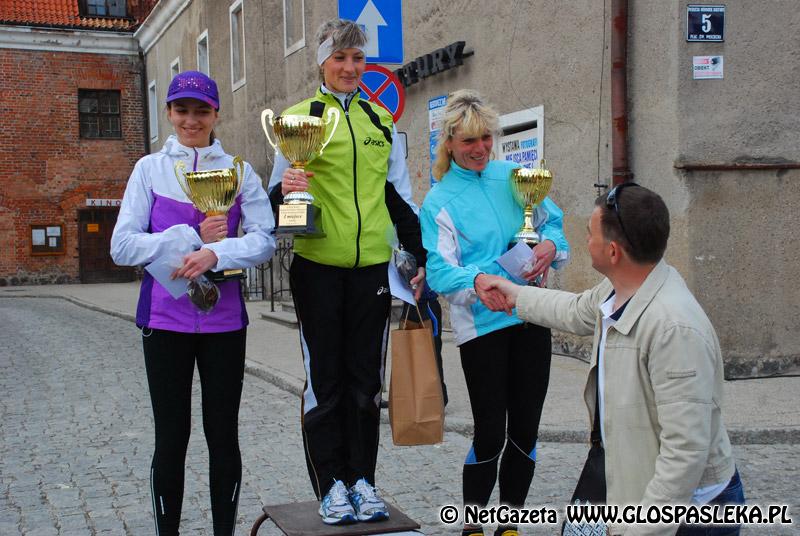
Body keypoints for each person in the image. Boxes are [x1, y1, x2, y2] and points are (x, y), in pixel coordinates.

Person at [481, 183, 744, 536]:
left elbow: (684, 454)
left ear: (614, 251)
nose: (586, 240)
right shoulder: (623, 288)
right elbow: (577, 310)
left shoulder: (674, 329)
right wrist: (516, 296)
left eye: (591, 234)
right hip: (633, 487)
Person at [266, 19, 426, 525]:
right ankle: (331, 484)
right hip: (317, 268)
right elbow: (270, 204)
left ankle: (362, 481)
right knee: (325, 382)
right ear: (322, 62)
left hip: (371, 271)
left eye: (358, 58)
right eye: (340, 58)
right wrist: (285, 190)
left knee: (365, 382)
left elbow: (398, 198)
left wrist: (417, 255)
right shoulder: (298, 119)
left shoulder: (380, 120)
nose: (350, 67)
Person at [110, 71, 276, 535]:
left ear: (215, 114)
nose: (191, 120)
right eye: (181, 110)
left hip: (224, 322)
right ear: (168, 113)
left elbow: (264, 240)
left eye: (201, 111)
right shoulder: (149, 169)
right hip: (164, 320)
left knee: (223, 436)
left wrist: (216, 254)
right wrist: (188, 236)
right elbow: (122, 247)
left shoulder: (240, 171)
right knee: (171, 438)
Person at [419, 90, 570, 536]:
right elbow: (439, 271)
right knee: (490, 432)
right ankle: (473, 526)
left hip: (531, 315)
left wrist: (550, 245)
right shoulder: (439, 201)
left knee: (526, 430)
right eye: (469, 140)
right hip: (482, 326)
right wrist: (478, 280)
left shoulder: (513, 176)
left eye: (486, 137)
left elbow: (553, 223)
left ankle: (509, 524)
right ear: (449, 143)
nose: (480, 148)